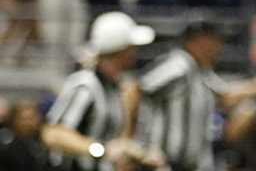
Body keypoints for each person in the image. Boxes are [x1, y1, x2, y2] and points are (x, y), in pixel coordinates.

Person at [135, 19, 256, 171]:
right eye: (216, 41)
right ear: (202, 40)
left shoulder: (200, 71)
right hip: (162, 164)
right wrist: (131, 140)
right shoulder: (178, 65)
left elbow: (226, 95)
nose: (220, 48)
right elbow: (135, 88)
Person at [42, 12, 165, 171]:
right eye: (131, 47)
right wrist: (99, 150)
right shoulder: (86, 84)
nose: (135, 52)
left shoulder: (113, 87)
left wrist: (137, 153)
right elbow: (54, 134)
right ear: (120, 50)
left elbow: (113, 143)